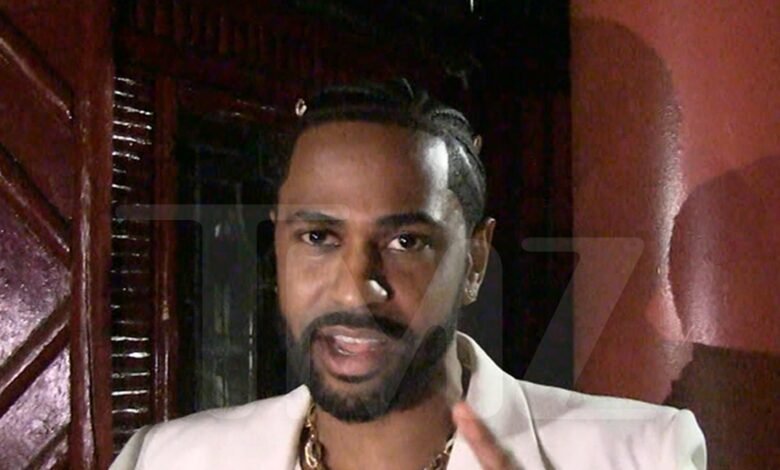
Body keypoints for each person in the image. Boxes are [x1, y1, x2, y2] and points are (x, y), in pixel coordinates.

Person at [111, 80, 706, 469]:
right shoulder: (168, 460)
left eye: (406, 242)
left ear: (474, 261)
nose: (356, 287)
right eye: (318, 237)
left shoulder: (640, 455)